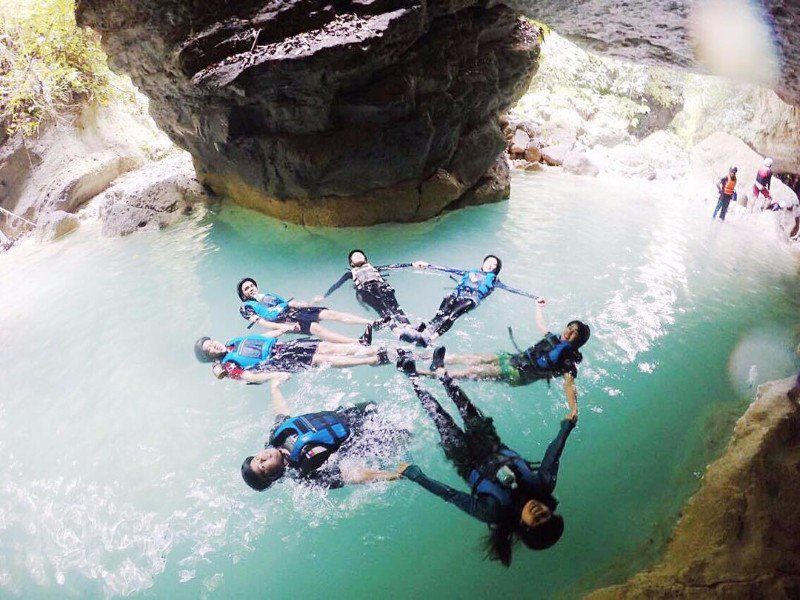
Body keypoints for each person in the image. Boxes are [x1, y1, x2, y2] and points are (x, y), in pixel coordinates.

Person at [395, 357, 577, 566]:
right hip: (491, 445)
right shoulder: (543, 485)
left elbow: (452, 496)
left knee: (438, 415)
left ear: (523, 526)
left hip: (464, 457)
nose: (539, 512)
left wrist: (416, 476)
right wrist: (566, 427)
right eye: (546, 514)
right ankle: (440, 372)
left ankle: (412, 377)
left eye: (536, 520)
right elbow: (553, 456)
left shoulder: (493, 512)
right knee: (465, 405)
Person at [241, 375, 405, 490]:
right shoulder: (304, 474)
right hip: (363, 439)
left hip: (346, 415)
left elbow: (281, 413)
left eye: (257, 458)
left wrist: (274, 387)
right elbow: (350, 475)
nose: (262, 458)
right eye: (262, 467)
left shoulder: (277, 437)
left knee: (377, 403)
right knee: (405, 435)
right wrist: (393, 475)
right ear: (273, 476)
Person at [418, 299, 589, 400]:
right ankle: (422, 357)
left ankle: (423, 373)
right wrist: (538, 306)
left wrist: (573, 409)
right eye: (570, 327)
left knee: (475, 370)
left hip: (518, 374)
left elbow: (569, 385)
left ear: (577, 341)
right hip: (513, 358)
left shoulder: (567, 360)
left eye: (574, 333)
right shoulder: (553, 339)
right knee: (475, 358)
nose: (569, 332)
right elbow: (540, 323)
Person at [407, 255, 537, 345]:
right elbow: (447, 269)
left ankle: (431, 339)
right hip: (457, 294)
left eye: (494, 264)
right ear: (483, 262)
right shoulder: (469, 272)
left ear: (496, 269)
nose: (490, 265)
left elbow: (511, 289)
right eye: (488, 262)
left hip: (472, 299)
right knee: (442, 313)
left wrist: (535, 298)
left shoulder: (495, 281)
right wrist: (427, 265)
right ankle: (423, 329)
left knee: (452, 316)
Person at [193, 331, 393, 384]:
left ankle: (368, 348)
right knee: (320, 359)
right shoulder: (228, 366)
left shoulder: (233, 342)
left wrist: (283, 329)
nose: (213, 345)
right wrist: (275, 375)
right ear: (210, 356)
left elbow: (261, 338)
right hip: (278, 360)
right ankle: (372, 359)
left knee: (324, 346)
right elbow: (249, 377)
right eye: (209, 349)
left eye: (210, 342)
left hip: (283, 346)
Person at [237, 277, 374, 345]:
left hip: (295, 311)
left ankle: (373, 322)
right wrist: (283, 327)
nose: (251, 288)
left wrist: (307, 303)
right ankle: (358, 342)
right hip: (285, 320)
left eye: (251, 285)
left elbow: (287, 303)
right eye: (247, 289)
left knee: (330, 314)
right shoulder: (246, 307)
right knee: (317, 329)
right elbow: (264, 323)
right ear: (244, 295)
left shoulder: (268, 295)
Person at [318, 250, 420, 340]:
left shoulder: (374, 268)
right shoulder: (350, 274)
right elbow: (337, 285)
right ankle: (398, 332)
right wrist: (324, 296)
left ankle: (409, 328)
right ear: (351, 263)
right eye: (354, 255)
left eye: (360, 254)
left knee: (396, 309)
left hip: (383, 288)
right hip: (366, 292)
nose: (357, 255)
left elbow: (394, 266)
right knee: (383, 311)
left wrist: (413, 264)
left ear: (366, 260)